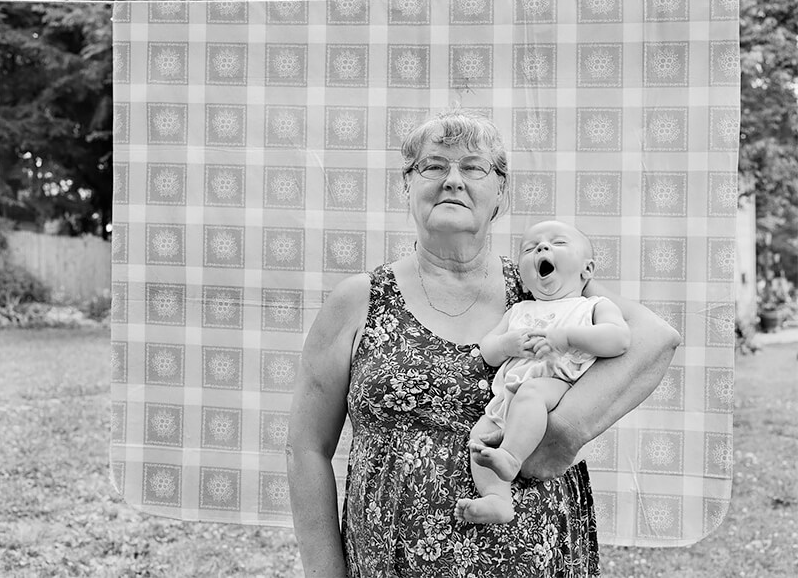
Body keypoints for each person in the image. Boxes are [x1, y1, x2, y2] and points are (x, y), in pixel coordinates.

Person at [287, 109, 681, 577]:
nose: (453, 180)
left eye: (473, 167)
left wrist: (567, 431)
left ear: (500, 193)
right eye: (434, 166)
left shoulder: (540, 288)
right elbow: (306, 449)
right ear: (406, 186)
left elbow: (656, 338)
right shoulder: (361, 299)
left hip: (533, 556)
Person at [454, 220, 631, 525]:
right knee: (480, 435)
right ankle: (497, 499)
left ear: (586, 270)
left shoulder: (591, 307)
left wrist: (566, 338)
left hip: (556, 385)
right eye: (530, 248)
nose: (542, 247)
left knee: (532, 393)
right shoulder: (519, 311)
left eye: (558, 243)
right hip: (508, 400)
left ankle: (511, 455)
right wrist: (507, 343)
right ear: (523, 280)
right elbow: (488, 349)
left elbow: (619, 339)